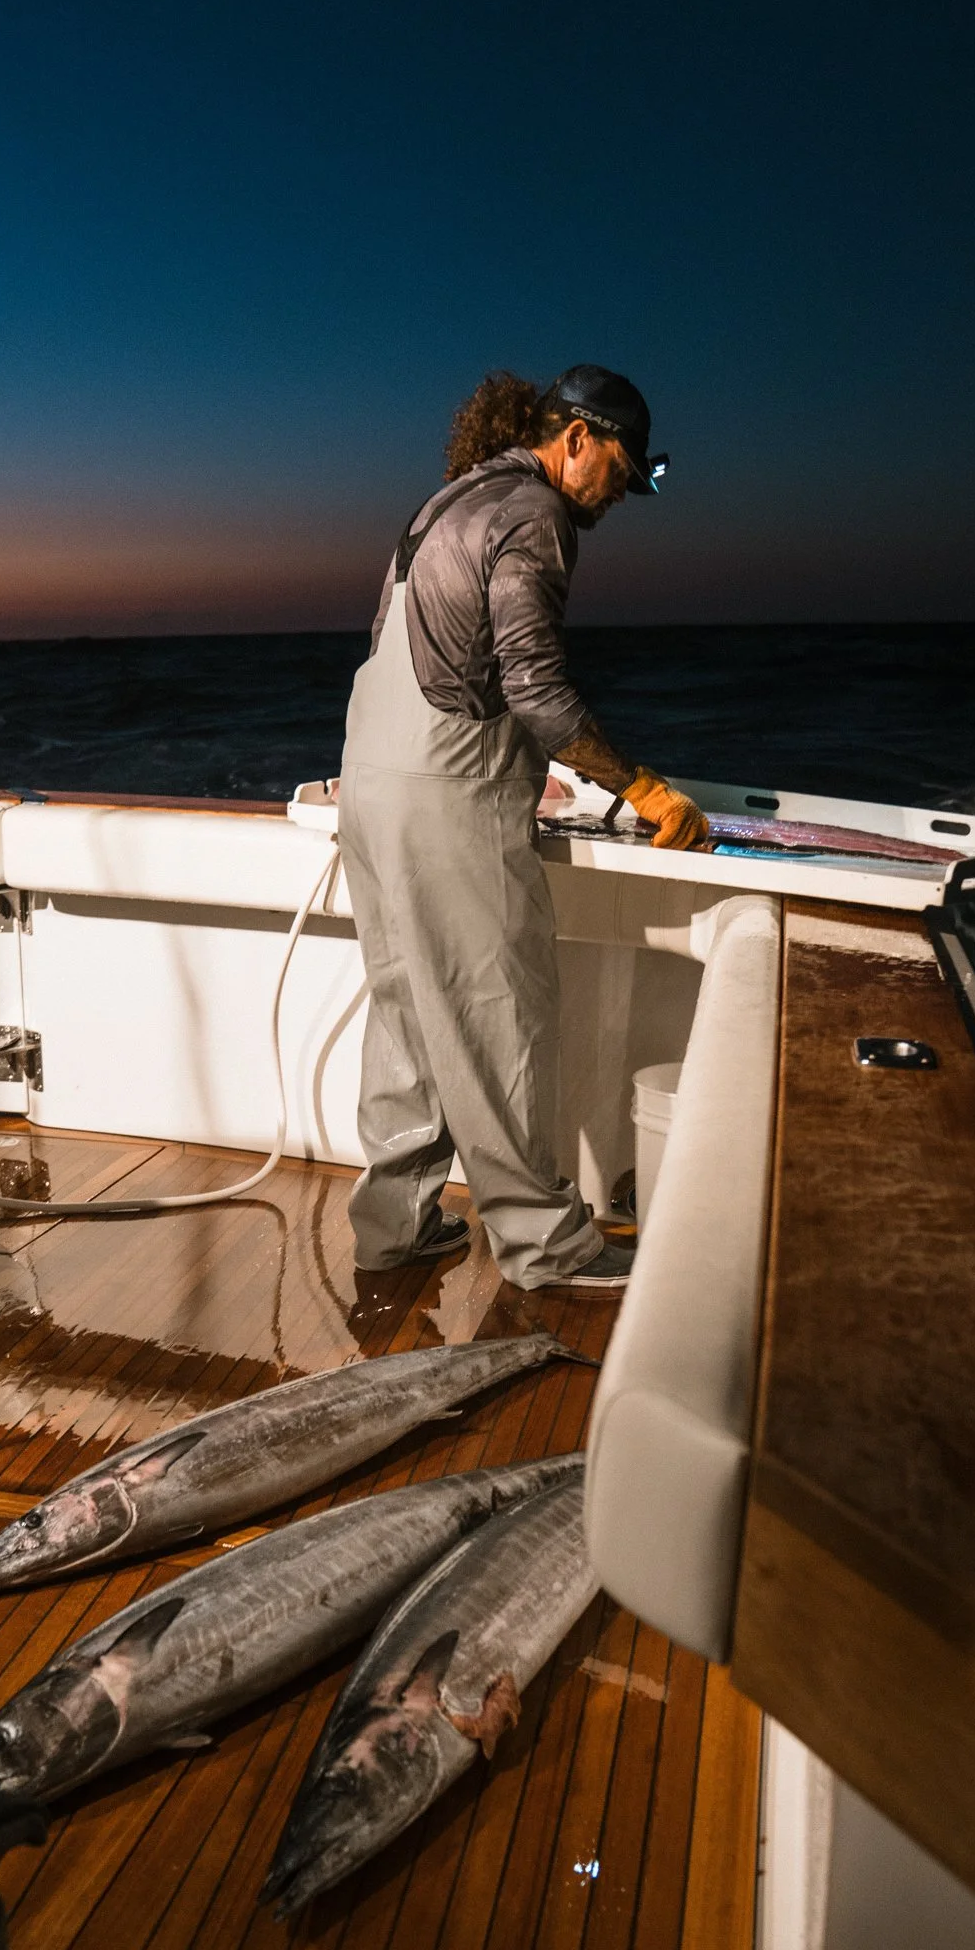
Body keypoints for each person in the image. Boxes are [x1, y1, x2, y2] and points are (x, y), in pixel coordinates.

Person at [337, 364, 708, 1294]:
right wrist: (646, 790)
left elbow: (413, 651)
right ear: (577, 439)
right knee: (500, 1013)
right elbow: (535, 686)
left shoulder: (444, 503)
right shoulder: (536, 515)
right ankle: (545, 1244)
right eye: (620, 470)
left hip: (368, 785)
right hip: (446, 797)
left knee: (407, 1008)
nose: (619, 494)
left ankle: (393, 1228)